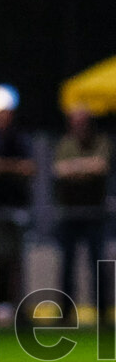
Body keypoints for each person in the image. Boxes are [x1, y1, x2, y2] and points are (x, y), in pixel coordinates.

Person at [52, 107, 112, 325]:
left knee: (98, 264)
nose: (80, 127)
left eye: (84, 122)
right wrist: (86, 168)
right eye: (76, 123)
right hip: (69, 214)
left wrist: (74, 168)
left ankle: (103, 313)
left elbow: (101, 167)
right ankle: (65, 312)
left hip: (95, 214)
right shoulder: (65, 144)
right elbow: (59, 170)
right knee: (67, 265)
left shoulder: (102, 142)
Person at [0, 106, 36, 322]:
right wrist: (14, 167)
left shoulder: (20, 140)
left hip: (17, 208)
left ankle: (17, 308)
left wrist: (1, 166)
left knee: (15, 261)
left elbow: (30, 168)